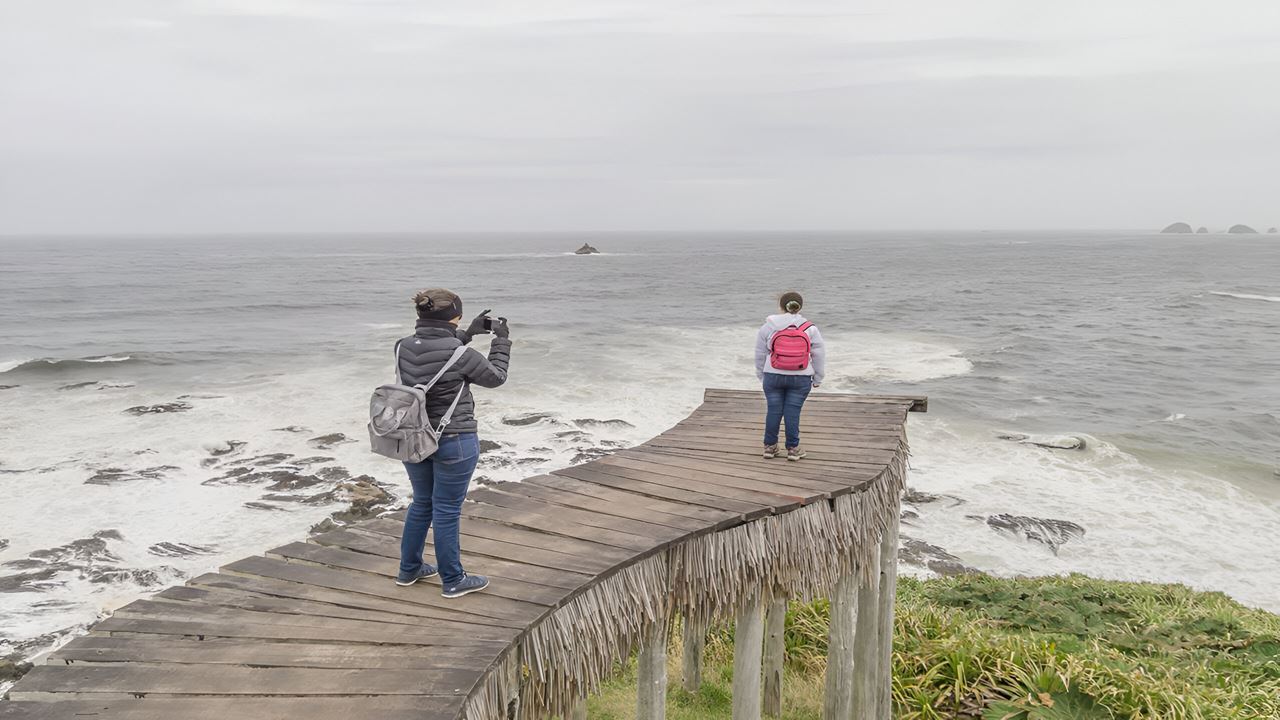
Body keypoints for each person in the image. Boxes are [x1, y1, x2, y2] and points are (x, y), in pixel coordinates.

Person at [393, 288, 511, 598]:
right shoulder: (462, 355)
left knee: (422, 503)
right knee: (446, 509)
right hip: (453, 440)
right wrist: (500, 341)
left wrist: (468, 333)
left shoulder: (402, 346)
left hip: (413, 437)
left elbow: (435, 352)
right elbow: (496, 377)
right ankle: (453, 580)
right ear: (454, 315)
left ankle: (409, 569)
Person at [754, 291, 825, 461]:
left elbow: (760, 353)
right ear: (800, 307)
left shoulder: (768, 326)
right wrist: (818, 378)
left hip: (772, 375)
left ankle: (770, 447)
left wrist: (761, 375)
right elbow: (819, 355)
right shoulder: (810, 328)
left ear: (781, 306)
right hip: (800, 377)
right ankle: (793, 448)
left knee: (773, 409)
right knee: (793, 411)